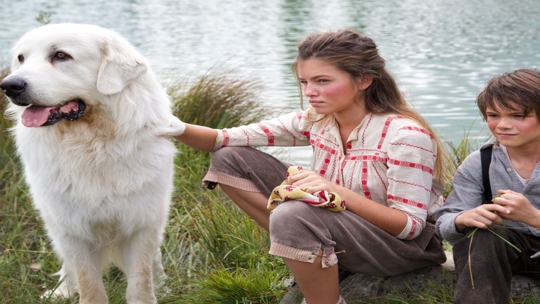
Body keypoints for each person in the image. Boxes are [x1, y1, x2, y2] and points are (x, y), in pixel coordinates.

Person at [165, 28, 447, 304]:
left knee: (293, 213)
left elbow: (409, 227)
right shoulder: (316, 119)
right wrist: (163, 124)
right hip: (344, 227)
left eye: (323, 81)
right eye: (304, 82)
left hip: (404, 249)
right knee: (228, 157)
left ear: (363, 80)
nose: (310, 92)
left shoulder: (405, 136)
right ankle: (308, 252)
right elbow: (220, 139)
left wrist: (333, 190)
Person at [435, 68, 540, 303]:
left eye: (517, 115)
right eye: (494, 115)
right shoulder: (480, 161)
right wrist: (463, 219)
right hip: (508, 249)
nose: (503, 125)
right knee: (482, 237)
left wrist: (533, 217)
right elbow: (444, 222)